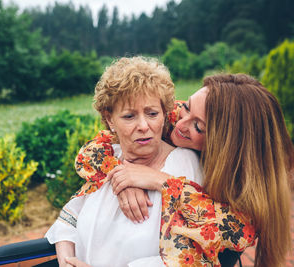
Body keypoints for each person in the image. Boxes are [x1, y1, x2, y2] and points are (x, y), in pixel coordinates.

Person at [45, 57, 256, 267]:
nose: (143, 126)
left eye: (152, 113)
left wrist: (160, 182)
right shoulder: (108, 159)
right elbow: (69, 219)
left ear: (165, 114)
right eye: (129, 116)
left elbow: (187, 258)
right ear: (110, 120)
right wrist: (66, 262)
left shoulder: (184, 167)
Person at [74, 73, 293, 267]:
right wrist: (121, 177)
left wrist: (161, 181)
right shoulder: (174, 118)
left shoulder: (245, 195)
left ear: (231, 146)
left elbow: (227, 228)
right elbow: (97, 147)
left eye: (198, 127)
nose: (179, 125)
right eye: (185, 108)